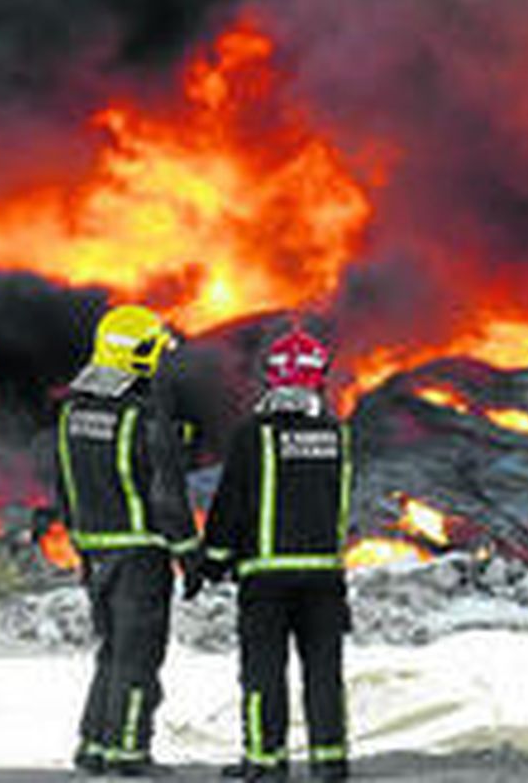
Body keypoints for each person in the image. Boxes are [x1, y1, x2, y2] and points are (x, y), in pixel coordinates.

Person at [56, 304, 201, 776]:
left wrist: (82, 548)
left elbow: (64, 488)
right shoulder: (143, 417)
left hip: (95, 552)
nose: (159, 360)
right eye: (153, 351)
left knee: (111, 652)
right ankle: (131, 754)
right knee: (138, 658)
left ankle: (94, 747)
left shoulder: (72, 412)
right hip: (141, 556)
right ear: (138, 355)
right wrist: (189, 555)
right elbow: (165, 496)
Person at [204, 329, 354, 782]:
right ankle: (330, 762)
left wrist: (213, 558)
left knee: (264, 671)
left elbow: (231, 501)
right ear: (318, 378)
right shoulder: (337, 434)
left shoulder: (254, 435)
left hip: (265, 580)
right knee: (324, 672)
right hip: (325, 579)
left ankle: (265, 762)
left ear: (272, 378)